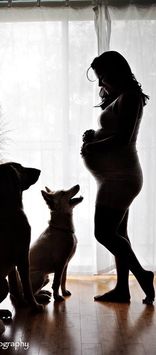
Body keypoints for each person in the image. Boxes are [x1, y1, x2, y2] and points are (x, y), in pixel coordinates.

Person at [81, 50, 155, 304]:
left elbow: (124, 138)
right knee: (118, 233)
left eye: (103, 77)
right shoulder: (121, 97)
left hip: (121, 178)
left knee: (103, 233)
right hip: (115, 176)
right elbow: (113, 130)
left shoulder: (131, 97)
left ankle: (143, 276)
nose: (101, 84)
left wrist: (94, 147)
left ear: (115, 73)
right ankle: (122, 289)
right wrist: (94, 135)